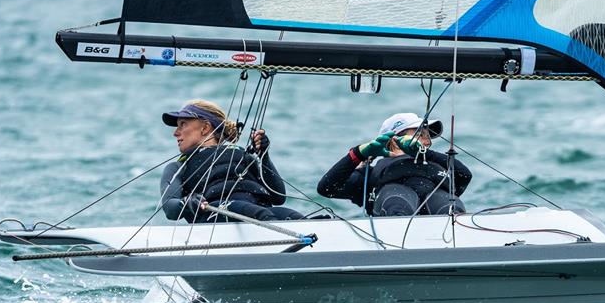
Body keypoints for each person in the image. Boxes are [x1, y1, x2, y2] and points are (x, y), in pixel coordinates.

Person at [160, 99, 303, 223]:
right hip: (216, 214)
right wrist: (187, 203)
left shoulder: (242, 155)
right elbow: (169, 208)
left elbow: (278, 197)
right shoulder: (179, 167)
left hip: (258, 211)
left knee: (293, 216)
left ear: (205, 128)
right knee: (258, 213)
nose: (175, 132)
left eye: (183, 124)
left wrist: (264, 156)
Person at [317, 112, 471, 217]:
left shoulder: (436, 165)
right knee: (397, 201)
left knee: (450, 207)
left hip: (440, 219)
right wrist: (359, 153)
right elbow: (326, 188)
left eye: (428, 136)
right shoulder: (369, 175)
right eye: (420, 134)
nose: (428, 141)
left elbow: (464, 175)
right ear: (393, 140)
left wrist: (427, 154)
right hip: (392, 213)